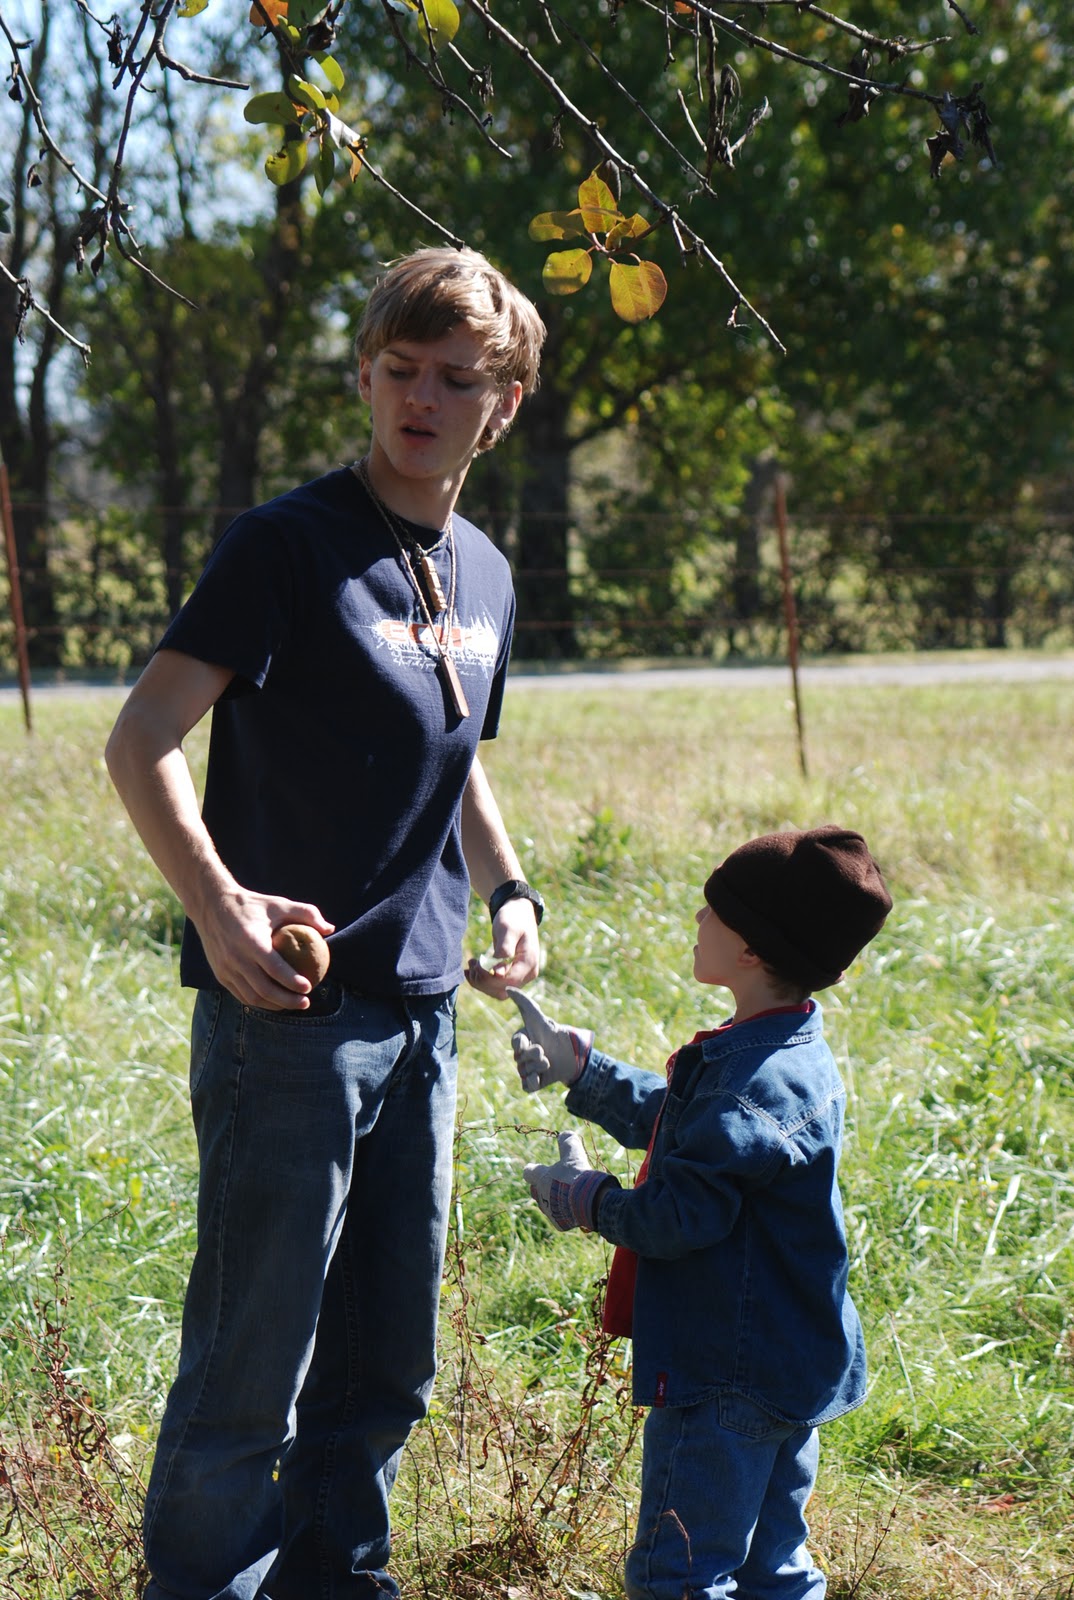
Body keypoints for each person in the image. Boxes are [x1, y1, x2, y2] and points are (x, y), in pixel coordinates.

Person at [105, 246, 547, 1600]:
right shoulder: (286, 547)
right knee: (255, 1362)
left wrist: (512, 890)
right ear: (363, 375)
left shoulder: (483, 571)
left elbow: (455, 750)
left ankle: (336, 1581)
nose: (422, 399)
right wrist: (217, 901)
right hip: (288, 1021)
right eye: (399, 370)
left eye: (455, 378)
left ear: (504, 402)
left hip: (423, 1017)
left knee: (385, 1362)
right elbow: (143, 735)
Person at [508, 825, 893, 1600]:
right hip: (790, 1363)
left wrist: (588, 1199)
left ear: (751, 949)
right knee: (772, 1566)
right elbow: (691, 1126)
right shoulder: (782, 1051)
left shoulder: (748, 1084)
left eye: (714, 909)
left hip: (725, 1377)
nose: (697, 918)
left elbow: (675, 1217)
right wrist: (586, 1072)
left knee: (680, 1573)